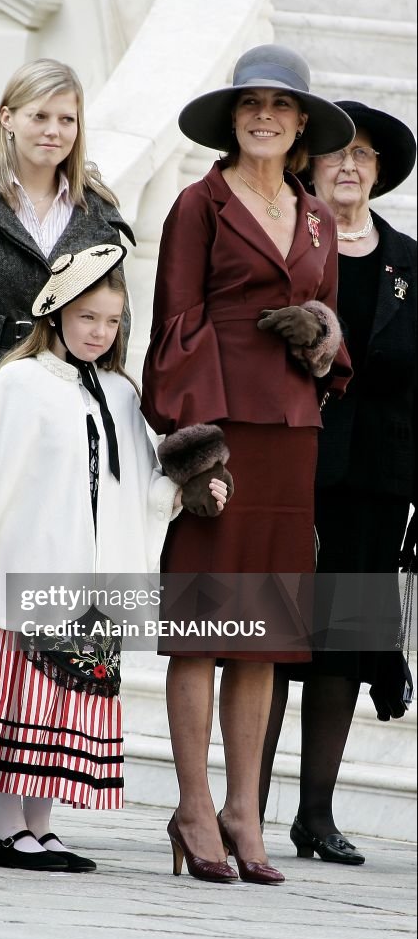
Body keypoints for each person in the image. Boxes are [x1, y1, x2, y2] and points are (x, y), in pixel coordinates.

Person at [0, 242, 228, 871]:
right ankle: (7, 829)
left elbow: (139, 489)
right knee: (19, 700)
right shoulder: (17, 382)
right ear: (57, 311)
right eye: (87, 316)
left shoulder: (120, 393)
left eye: (112, 321)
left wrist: (188, 484)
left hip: (90, 582)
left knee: (59, 703)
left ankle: (41, 825)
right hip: (29, 567)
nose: (99, 332)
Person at [141, 44, 355, 885]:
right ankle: (193, 808)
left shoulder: (315, 219)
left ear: (302, 124)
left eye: (279, 104)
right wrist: (195, 451)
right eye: (249, 103)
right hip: (221, 430)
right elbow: (174, 324)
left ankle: (243, 810)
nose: (263, 114)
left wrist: (322, 337)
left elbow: (331, 326)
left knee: (262, 635)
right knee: (201, 631)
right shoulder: (197, 204)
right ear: (232, 120)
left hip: (293, 433)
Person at [0, 58, 135, 842]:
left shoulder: (98, 214)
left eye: (66, 119)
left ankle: (12, 780)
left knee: (35, 607)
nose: (52, 131)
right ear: (6, 117)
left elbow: (111, 313)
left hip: (58, 420)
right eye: (39, 115)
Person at [259, 101, 417, 866]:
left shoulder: (409, 262)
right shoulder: (288, 242)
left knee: (343, 647)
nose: (349, 165)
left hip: (375, 480)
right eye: (336, 154)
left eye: (364, 156)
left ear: (379, 173)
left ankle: (314, 816)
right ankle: (241, 811)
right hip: (291, 462)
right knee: (264, 637)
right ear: (310, 165)